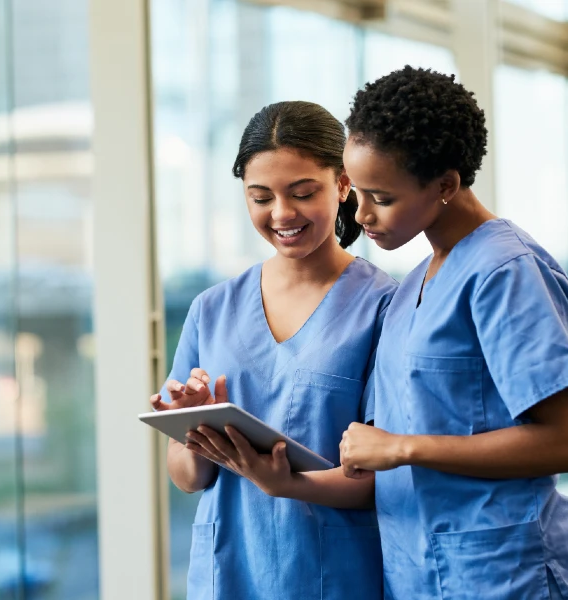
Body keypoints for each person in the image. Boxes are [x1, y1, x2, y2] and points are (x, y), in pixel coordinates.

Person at [338, 66, 568, 599]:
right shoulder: (412, 286)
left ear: (446, 185)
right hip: (421, 573)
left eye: (381, 197)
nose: (362, 215)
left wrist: (404, 448)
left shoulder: (505, 272)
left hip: (505, 574)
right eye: (356, 192)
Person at [150, 101, 396, 600]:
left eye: (302, 193)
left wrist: (285, 483)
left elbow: (388, 478)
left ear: (344, 185)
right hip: (229, 575)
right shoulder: (211, 309)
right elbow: (187, 478)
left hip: (334, 576)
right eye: (260, 197)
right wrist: (193, 435)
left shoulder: (384, 307)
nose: (281, 214)